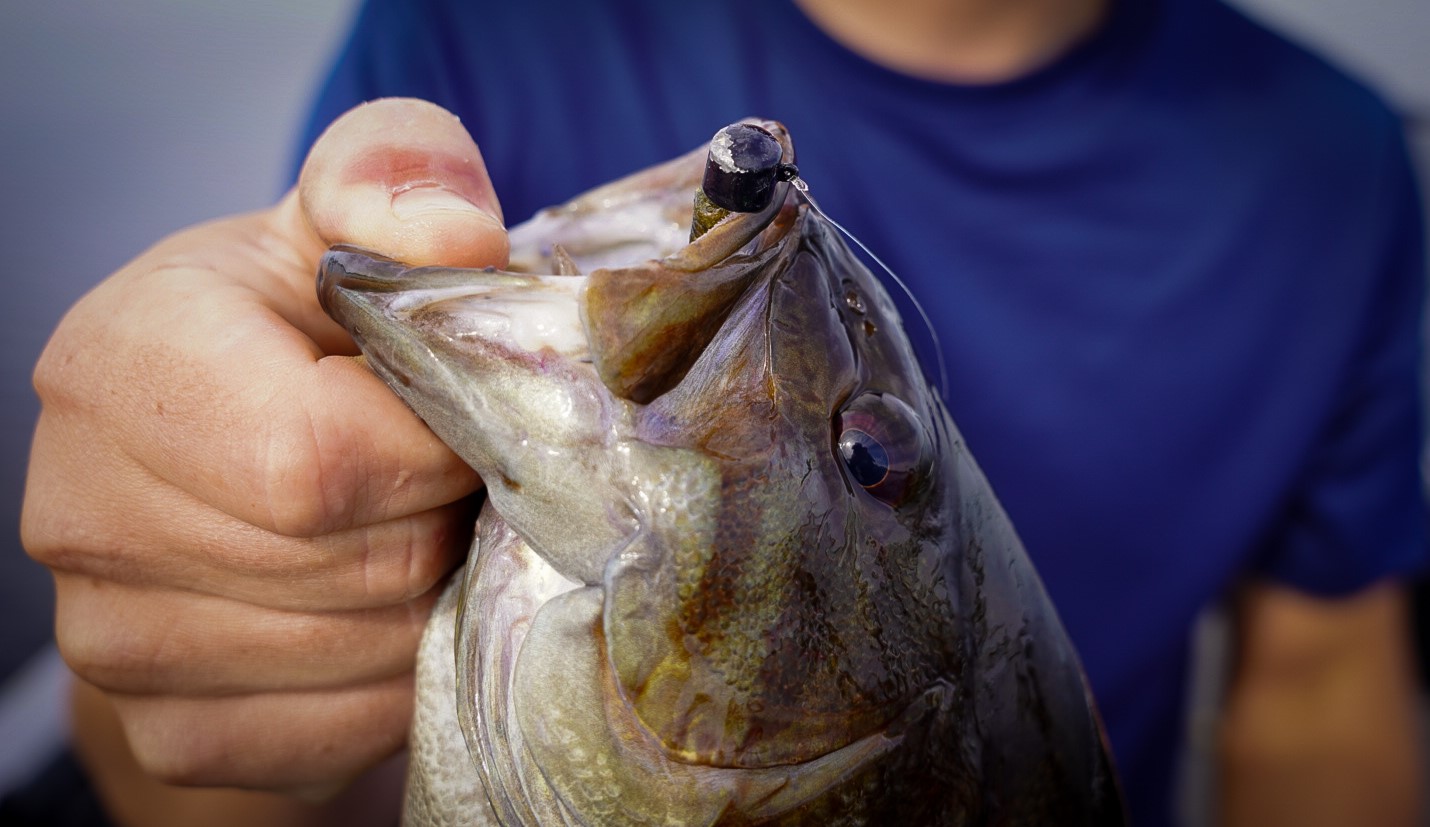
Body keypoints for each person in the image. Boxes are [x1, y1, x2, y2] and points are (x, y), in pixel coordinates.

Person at [16, 0, 1426, 824]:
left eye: (869, 453)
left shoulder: (1339, 169)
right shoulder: (479, 27)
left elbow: (1317, 689)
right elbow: (185, 754)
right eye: (869, 443)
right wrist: (195, 640)